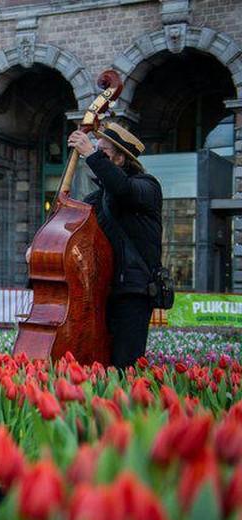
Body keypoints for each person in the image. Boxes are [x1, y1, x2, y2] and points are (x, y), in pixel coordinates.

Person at [68, 122, 162, 368]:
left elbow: (122, 189)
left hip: (133, 291)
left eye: (104, 152)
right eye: (96, 150)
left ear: (120, 159)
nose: (97, 154)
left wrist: (90, 154)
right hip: (101, 291)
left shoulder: (147, 186)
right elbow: (70, 225)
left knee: (124, 364)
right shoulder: (98, 197)